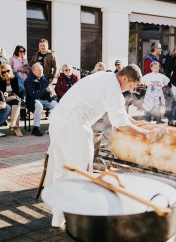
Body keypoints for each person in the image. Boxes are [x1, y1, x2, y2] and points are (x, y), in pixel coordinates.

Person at [44, 64, 167, 227]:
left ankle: (58, 216)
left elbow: (118, 113)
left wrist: (136, 122)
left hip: (58, 121)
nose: (130, 90)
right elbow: (120, 123)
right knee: (79, 172)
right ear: (125, 78)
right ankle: (78, 219)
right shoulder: (113, 88)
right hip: (74, 125)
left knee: (62, 169)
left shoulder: (105, 77)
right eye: (131, 85)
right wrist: (147, 134)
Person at [24, 63, 58, 136]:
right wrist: (46, 90)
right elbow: (33, 95)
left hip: (45, 99)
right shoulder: (28, 80)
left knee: (57, 106)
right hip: (33, 101)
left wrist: (50, 91)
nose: (41, 72)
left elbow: (47, 87)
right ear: (33, 71)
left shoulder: (43, 77)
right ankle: (35, 128)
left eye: (42, 70)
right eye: (39, 70)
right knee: (39, 106)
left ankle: (55, 127)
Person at [0, 64, 23, 137]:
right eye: (3, 72)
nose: (6, 73)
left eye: (7, 71)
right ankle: (16, 128)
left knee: (17, 101)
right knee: (17, 102)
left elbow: (16, 92)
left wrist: (8, 94)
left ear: (10, 71)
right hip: (4, 99)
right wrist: (4, 94)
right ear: (1, 73)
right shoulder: (0, 80)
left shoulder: (14, 79)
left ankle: (13, 124)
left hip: (13, 98)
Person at [163, 43, 176, 124]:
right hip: (171, 83)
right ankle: (172, 119)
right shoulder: (170, 57)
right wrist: (169, 84)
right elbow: (167, 71)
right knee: (171, 102)